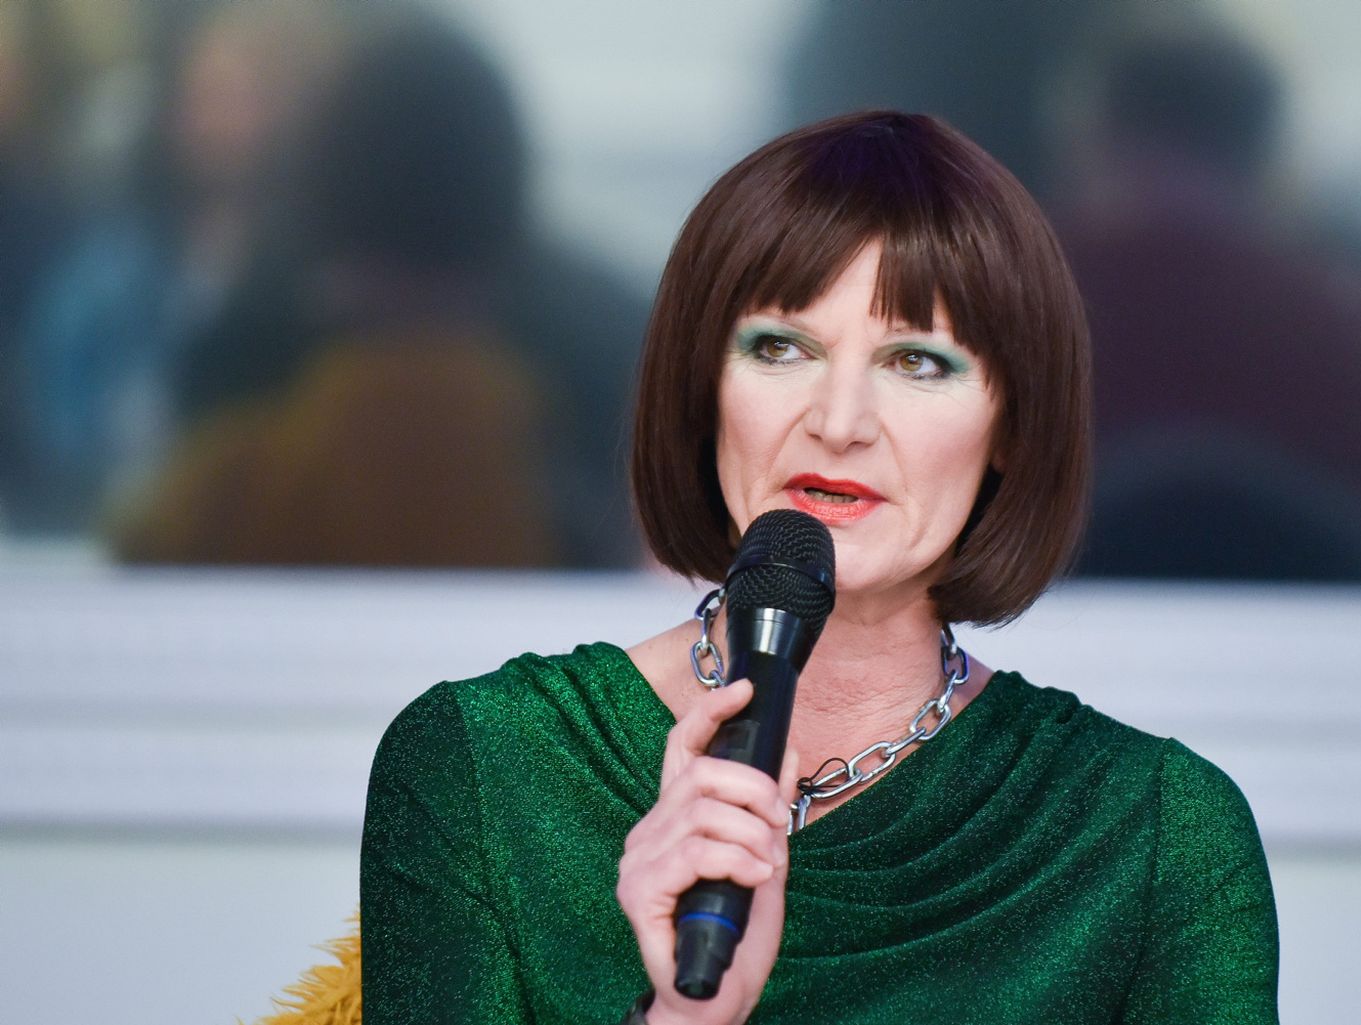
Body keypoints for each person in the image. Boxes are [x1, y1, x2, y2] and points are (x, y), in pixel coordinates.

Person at [360, 111, 1280, 1024]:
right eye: (781, 347)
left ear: (1010, 425)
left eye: (917, 361)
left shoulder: (1161, 836)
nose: (840, 423)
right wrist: (684, 1017)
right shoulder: (481, 766)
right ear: (703, 389)